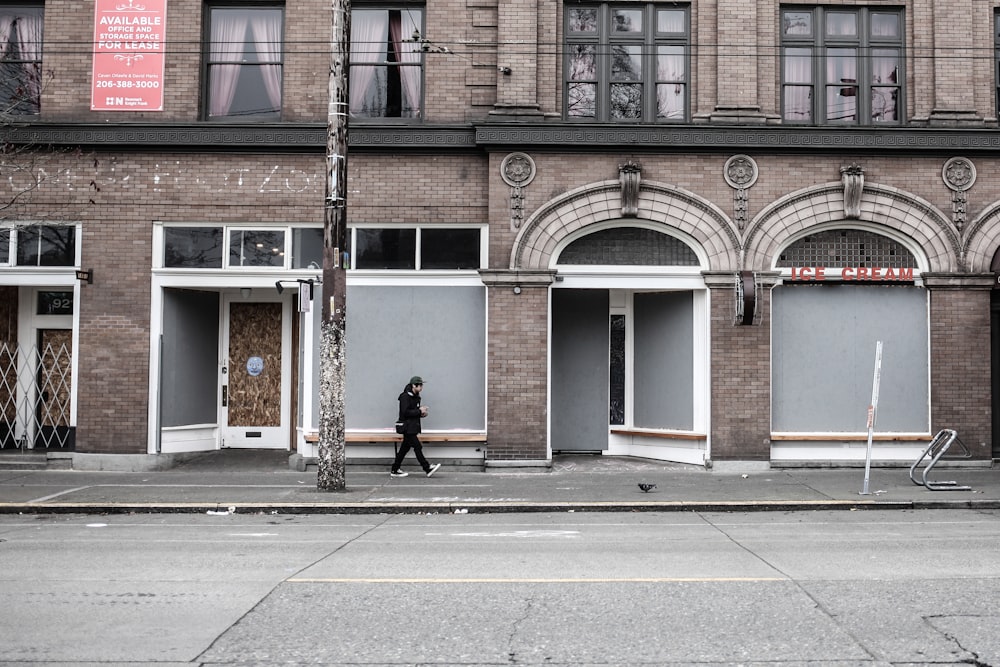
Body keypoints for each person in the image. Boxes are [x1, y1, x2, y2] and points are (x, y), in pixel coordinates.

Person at [390, 376, 441, 478]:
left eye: (422, 385)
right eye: (420, 385)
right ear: (414, 385)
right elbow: (405, 412)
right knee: (418, 446)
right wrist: (419, 411)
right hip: (407, 428)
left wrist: (421, 414)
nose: (422, 387)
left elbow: (412, 412)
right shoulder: (405, 396)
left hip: (412, 427)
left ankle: (395, 469)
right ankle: (427, 468)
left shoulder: (416, 396)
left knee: (404, 449)